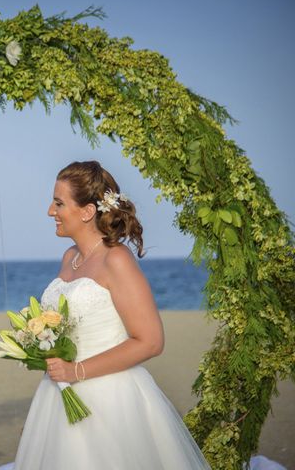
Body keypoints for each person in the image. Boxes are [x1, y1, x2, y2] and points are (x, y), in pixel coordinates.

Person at [12, 161, 209, 469]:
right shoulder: (69, 258)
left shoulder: (116, 259)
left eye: (59, 203)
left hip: (110, 399)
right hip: (57, 394)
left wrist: (75, 371)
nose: (50, 211)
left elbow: (151, 341)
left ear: (87, 211)